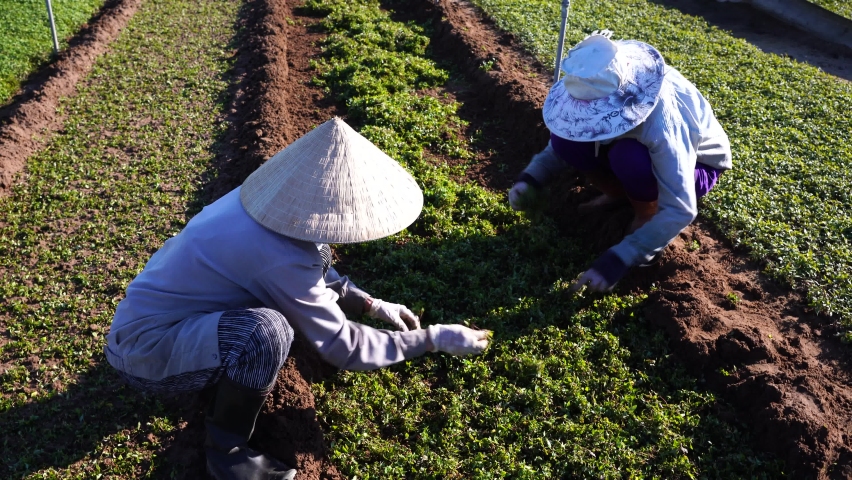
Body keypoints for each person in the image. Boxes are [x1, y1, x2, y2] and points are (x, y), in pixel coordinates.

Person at [105, 118, 491, 480]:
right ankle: (228, 452)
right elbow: (345, 346)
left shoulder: (260, 205)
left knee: (302, 280)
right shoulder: (277, 254)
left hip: (168, 319)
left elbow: (315, 262)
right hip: (144, 351)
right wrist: (432, 339)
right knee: (266, 332)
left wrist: (368, 303)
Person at [509, 30, 731, 293]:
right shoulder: (594, 80)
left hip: (697, 164)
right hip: (635, 146)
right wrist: (531, 178)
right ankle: (617, 194)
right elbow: (565, 137)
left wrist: (620, 258)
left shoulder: (661, 122)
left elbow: (681, 207)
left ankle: (646, 213)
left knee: (629, 156)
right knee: (566, 142)